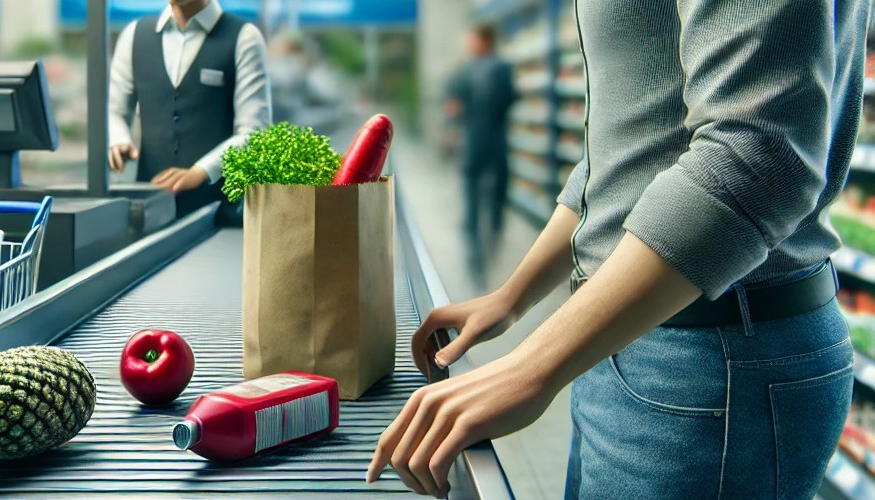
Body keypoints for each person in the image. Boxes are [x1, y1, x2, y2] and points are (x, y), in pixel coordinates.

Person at [367, 0, 871, 498]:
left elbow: (757, 156)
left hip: (711, 361)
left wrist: (530, 366)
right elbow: (627, 157)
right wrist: (513, 297)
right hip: (630, 334)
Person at [107, 0, 271, 221]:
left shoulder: (244, 38)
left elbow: (254, 132)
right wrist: (119, 139)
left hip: (219, 214)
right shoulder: (135, 35)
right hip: (149, 214)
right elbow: (114, 110)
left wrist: (201, 171)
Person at [445, 26, 516, 289]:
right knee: (492, 188)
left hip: (479, 138)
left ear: (484, 40)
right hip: (490, 137)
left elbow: (453, 104)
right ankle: (485, 232)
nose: (468, 42)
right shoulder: (497, 69)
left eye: (472, 38)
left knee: (484, 189)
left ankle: (483, 232)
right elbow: (509, 98)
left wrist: (456, 119)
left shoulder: (470, 71)